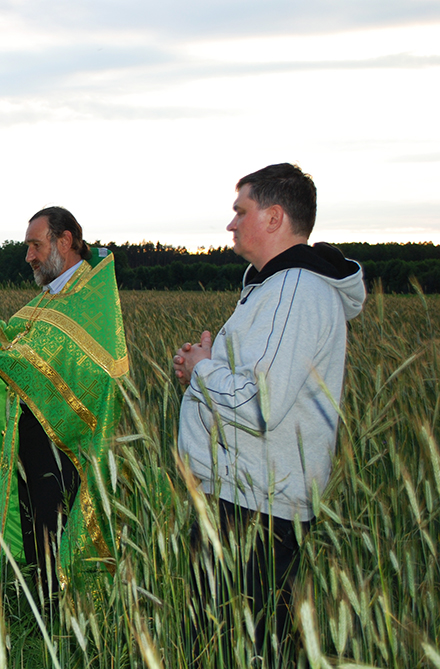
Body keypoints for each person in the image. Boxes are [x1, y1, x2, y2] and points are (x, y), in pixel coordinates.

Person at [172, 163, 365, 664]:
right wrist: (204, 369)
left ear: (275, 217)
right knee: (254, 642)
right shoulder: (274, 286)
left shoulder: (296, 290)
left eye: (241, 211)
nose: (232, 224)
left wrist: (204, 372)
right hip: (247, 494)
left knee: (236, 644)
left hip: (255, 505)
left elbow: (261, 406)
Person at [0, 206, 128, 599]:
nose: (29, 256)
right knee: (37, 523)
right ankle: (43, 607)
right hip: (36, 438)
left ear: (65, 241)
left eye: (36, 246)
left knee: (59, 529)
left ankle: (64, 618)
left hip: (70, 444)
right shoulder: (49, 298)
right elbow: (9, 341)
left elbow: (87, 371)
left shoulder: (91, 297)